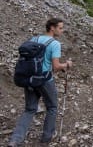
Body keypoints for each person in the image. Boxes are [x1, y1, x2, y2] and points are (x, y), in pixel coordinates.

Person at [9, 18, 73, 146]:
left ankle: (15, 140)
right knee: (52, 107)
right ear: (52, 28)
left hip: (29, 79)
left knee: (29, 109)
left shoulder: (34, 39)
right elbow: (56, 66)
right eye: (60, 28)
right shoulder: (55, 44)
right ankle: (46, 138)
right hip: (44, 80)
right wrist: (67, 64)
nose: (62, 30)